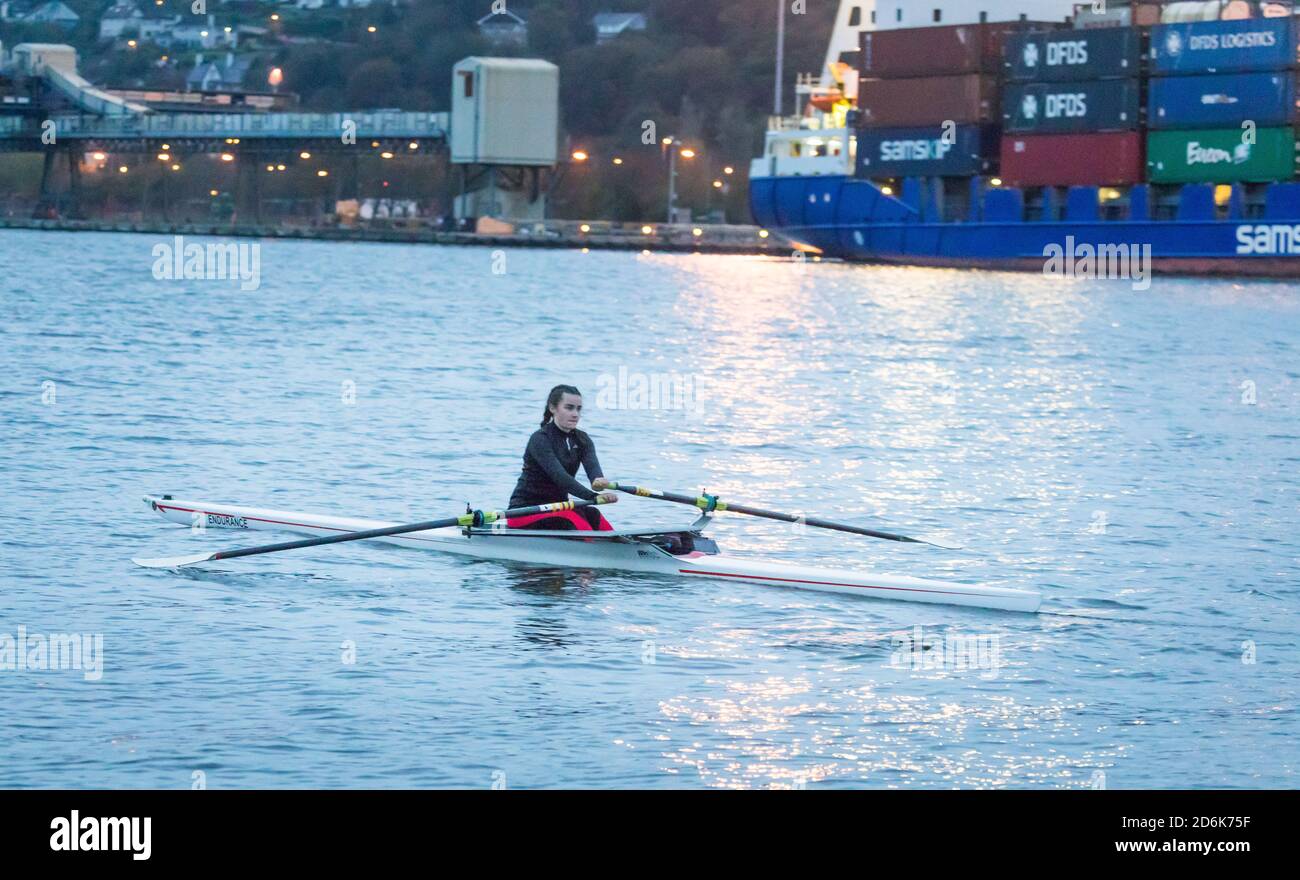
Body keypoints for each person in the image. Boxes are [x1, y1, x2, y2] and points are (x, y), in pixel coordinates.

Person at [507, 384, 617, 531]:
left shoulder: (583, 440)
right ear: (553, 408)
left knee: (594, 514)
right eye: (569, 407)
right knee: (576, 521)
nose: (575, 414)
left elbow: (593, 470)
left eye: (578, 409)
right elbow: (560, 477)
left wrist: (598, 481)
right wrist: (592, 496)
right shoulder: (540, 439)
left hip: (560, 508)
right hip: (526, 510)